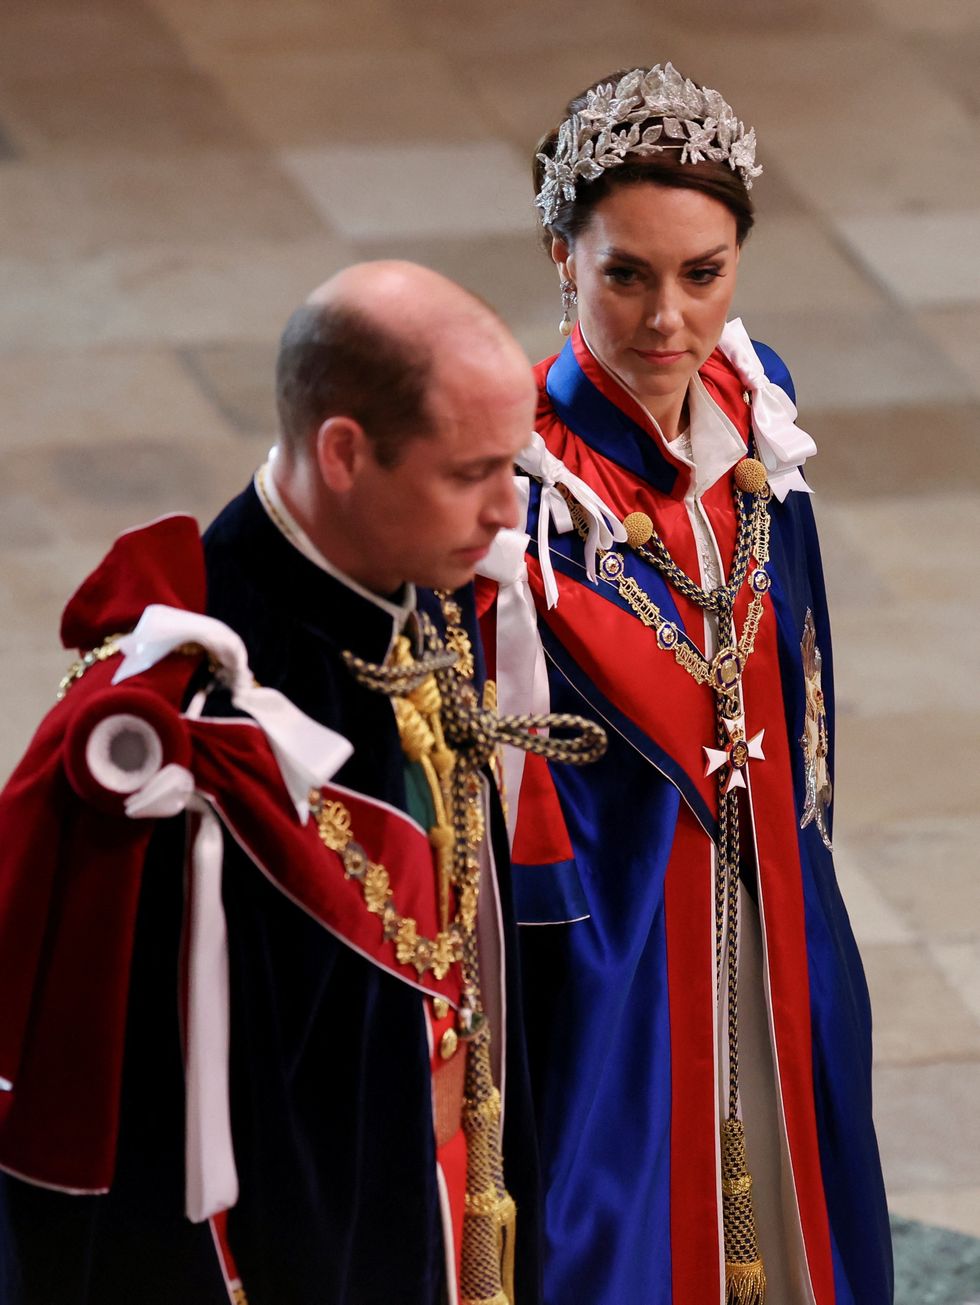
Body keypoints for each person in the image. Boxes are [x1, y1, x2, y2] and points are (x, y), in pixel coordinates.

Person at [0, 261, 578, 1305]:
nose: (506, 513)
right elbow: (149, 1146)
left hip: (449, 1193)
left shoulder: (423, 591)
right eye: (470, 472)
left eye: (513, 465)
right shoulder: (190, 735)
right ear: (345, 452)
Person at [476, 65, 893, 1305]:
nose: (668, 318)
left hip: (774, 898)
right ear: (562, 257)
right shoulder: (520, 494)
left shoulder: (757, 414)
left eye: (701, 274)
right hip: (618, 947)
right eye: (626, 274)